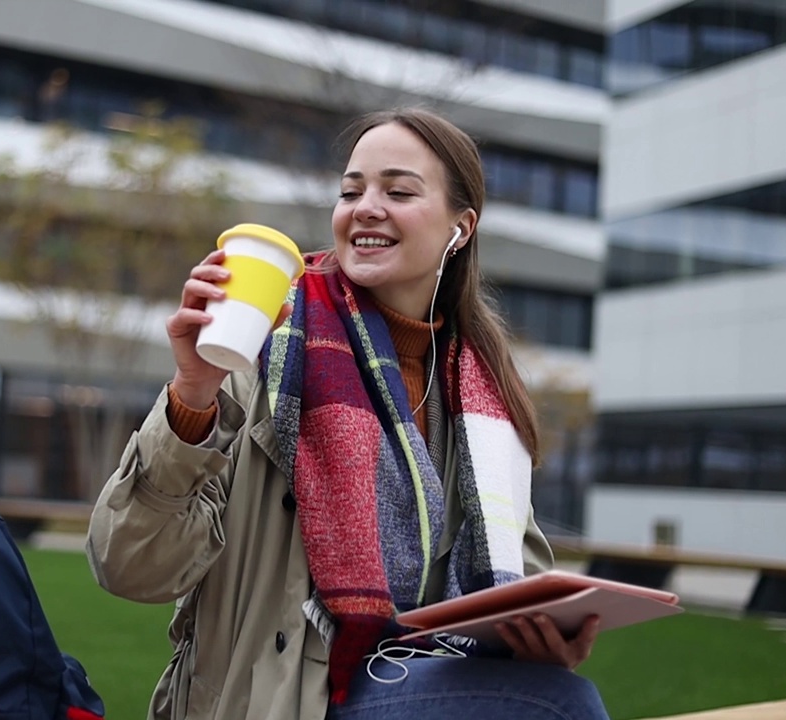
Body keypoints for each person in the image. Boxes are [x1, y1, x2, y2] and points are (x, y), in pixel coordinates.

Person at [86, 108, 610, 720]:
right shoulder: (264, 349)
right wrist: (193, 395)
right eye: (351, 190)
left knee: (554, 695)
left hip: (420, 679)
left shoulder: (482, 397)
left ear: (460, 228)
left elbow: (516, 580)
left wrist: (543, 641)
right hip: (280, 704)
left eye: (398, 190)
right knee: (565, 708)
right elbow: (129, 568)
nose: (364, 206)